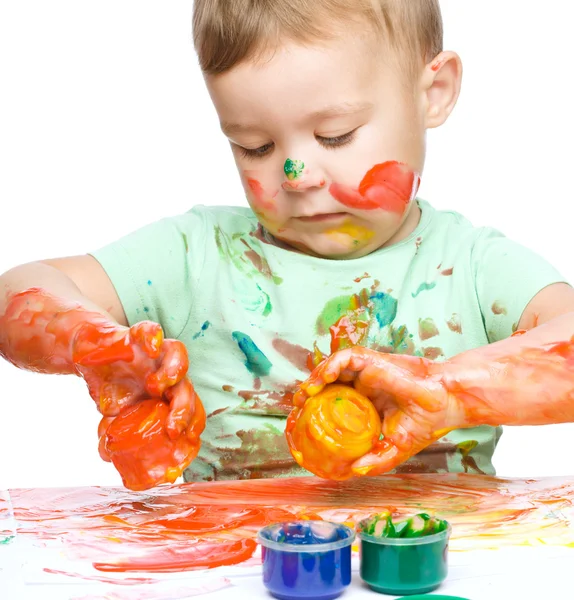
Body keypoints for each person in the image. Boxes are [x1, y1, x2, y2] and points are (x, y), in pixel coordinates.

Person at [2, 0, 573, 486]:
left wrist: (447, 389)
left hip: (435, 568)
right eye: (255, 146)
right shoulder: (197, 257)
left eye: (335, 135)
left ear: (435, 92)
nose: (297, 173)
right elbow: (19, 293)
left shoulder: (471, 267)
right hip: (233, 570)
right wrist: (93, 344)